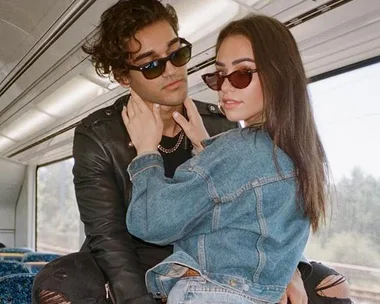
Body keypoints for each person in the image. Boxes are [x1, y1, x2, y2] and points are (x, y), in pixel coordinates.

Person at [32, 0, 351, 303]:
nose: (171, 70)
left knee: (327, 282)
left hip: (215, 265)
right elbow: (109, 239)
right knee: (59, 283)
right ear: (122, 76)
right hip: (138, 264)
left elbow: (262, 206)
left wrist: (286, 267)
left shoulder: (220, 121)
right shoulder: (98, 136)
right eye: (152, 65)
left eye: (177, 54)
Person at [121, 13, 341, 303]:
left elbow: (151, 223)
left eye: (241, 74)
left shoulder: (239, 148)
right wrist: (210, 150)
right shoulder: (301, 152)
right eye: (219, 75)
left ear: (277, 73)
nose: (225, 88)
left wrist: (146, 151)